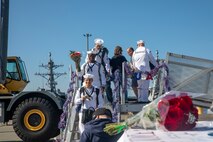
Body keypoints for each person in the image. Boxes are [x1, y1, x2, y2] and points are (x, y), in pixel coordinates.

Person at [86, 38, 112, 104]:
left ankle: (110, 101)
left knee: (107, 86)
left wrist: (108, 70)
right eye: (97, 45)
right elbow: (86, 60)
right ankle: (89, 101)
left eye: (100, 45)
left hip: (101, 69)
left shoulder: (103, 52)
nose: (98, 47)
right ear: (95, 45)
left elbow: (106, 62)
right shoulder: (90, 51)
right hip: (92, 69)